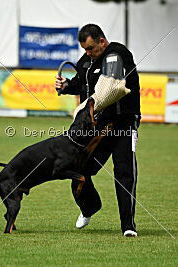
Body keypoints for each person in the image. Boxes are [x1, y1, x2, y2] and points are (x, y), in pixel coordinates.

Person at [55, 24, 141, 237]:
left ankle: (128, 226)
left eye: (91, 48)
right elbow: (81, 85)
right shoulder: (85, 61)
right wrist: (66, 86)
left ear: (102, 41)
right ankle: (89, 207)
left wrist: (84, 107)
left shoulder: (117, 54)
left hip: (123, 124)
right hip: (98, 127)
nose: (88, 53)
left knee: (124, 173)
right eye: (85, 49)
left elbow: (109, 87)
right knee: (78, 168)